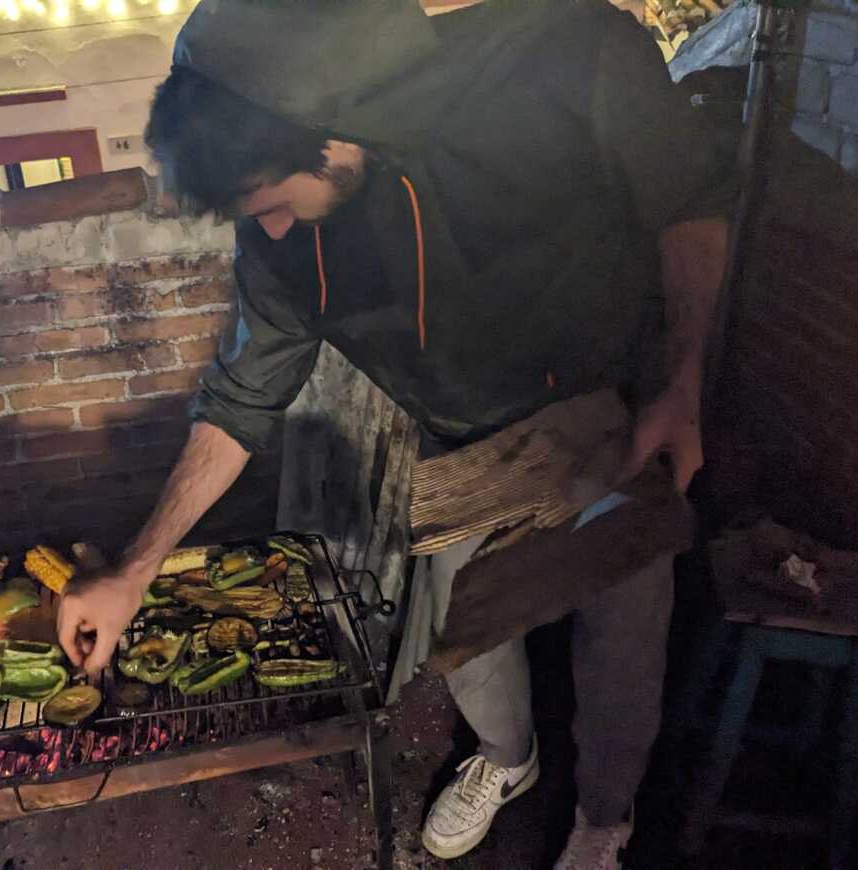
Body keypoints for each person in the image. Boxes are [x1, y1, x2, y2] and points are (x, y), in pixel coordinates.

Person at [57, 1, 733, 866]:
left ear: (332, 135)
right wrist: (133, 571)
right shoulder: (279, 240)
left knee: (623, 639)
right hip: (463, 443)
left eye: (270, 203)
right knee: (464, 634)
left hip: (614, 414)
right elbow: (238, 400)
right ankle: (507, 760)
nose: (267, 230)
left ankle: (605, 816)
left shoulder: (565, 53)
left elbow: (690, 201)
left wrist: (682, 381)